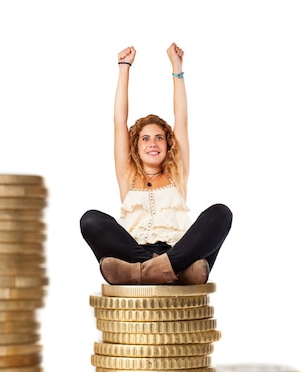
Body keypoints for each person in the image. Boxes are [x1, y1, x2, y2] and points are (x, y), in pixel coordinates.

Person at [79, 42, 232, 285]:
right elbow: (120, 122)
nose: (153, 143)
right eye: (146, 139)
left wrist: (177, 68)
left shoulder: (176, 173)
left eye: (159, 138)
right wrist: (123, 69)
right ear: (136, 147)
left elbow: (181, 118)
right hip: (134, 252)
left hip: (180, 251)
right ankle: (173, 273)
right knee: (90, 220)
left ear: (167, 144)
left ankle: (145, 273)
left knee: (221, 213)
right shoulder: (127, 175)